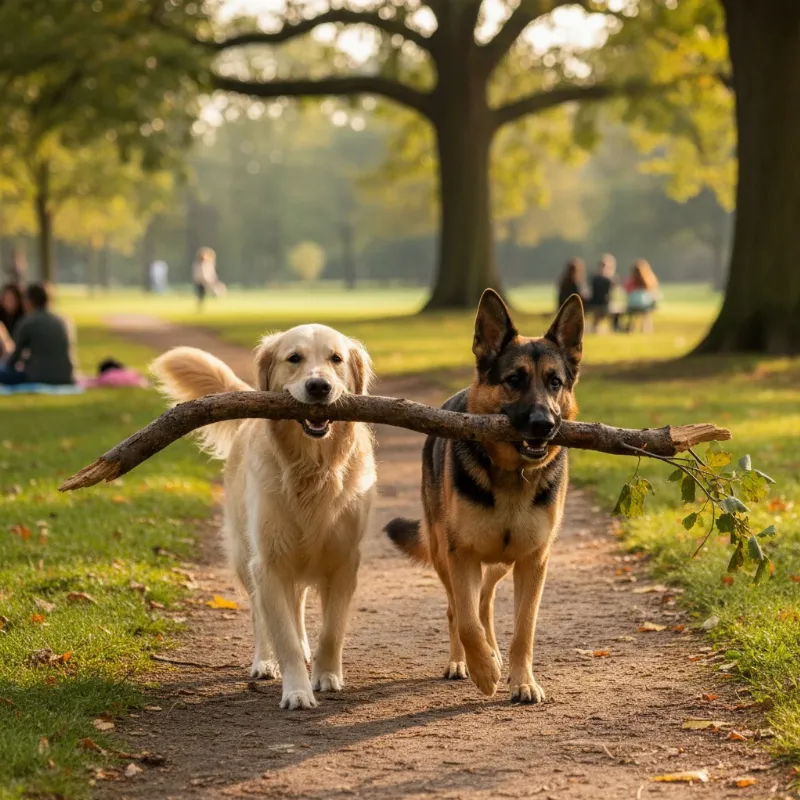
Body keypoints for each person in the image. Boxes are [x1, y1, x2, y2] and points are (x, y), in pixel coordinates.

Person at [0, 283, 75, 386]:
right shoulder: (63, 320)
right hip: (67, 376)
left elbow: (14, 358)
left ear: (29, 301)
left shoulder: (27, 322)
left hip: (38, 377)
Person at [623, 259, 660, 332]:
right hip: (644, 306)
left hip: (632, 305)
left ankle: (631, 328)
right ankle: (646, 329)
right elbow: (654, 293)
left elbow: (626, 292)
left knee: (632, 315)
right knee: (646, 313)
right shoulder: (648, 280)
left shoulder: (630, 280)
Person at [586, 254, 620, 332]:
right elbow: (614, 292)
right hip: (604, 304)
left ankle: (595, 328)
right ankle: (615, 328)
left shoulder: (593, 277)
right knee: (617, 309)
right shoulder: (610, 279)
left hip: (593, 303)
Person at [0, 283, 25, 358]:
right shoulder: (1, 314)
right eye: (6, 299)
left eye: (12, 299)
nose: (9, 302)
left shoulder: (24, 316)